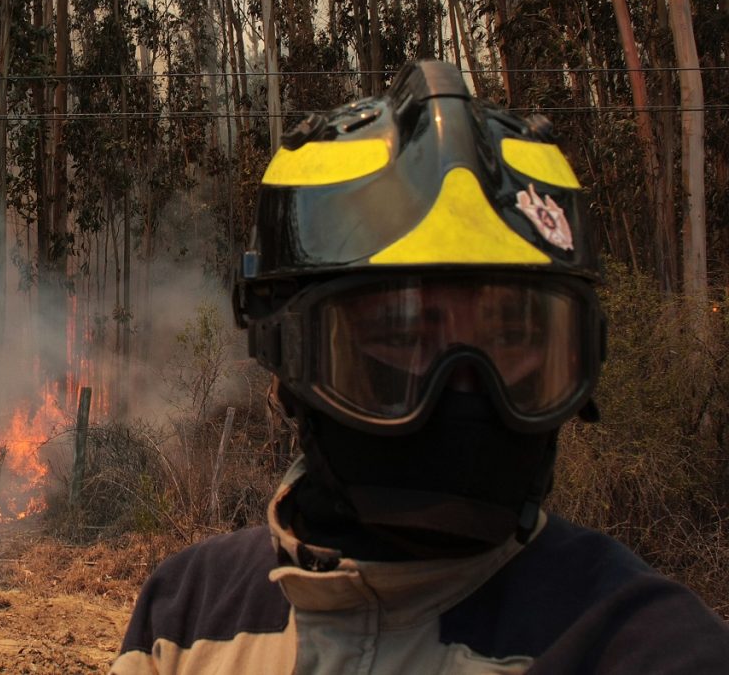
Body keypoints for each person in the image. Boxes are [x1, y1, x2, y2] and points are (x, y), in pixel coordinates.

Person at [110, 60, 729, 674]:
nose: (461, 390)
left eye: (510, 333)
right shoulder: (184, 621)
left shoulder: (644, 645)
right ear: (284, 352)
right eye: (399, 331)